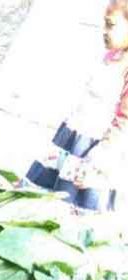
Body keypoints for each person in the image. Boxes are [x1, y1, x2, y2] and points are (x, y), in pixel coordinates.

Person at [23, 0, 128, 214]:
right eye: (104, 24)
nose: (104, 31)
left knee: (67, 215)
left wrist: (97, 162)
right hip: (71, 140)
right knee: (37, 205)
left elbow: (123, 123)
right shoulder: (109, 58)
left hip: (92, 152)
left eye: (111, 25)